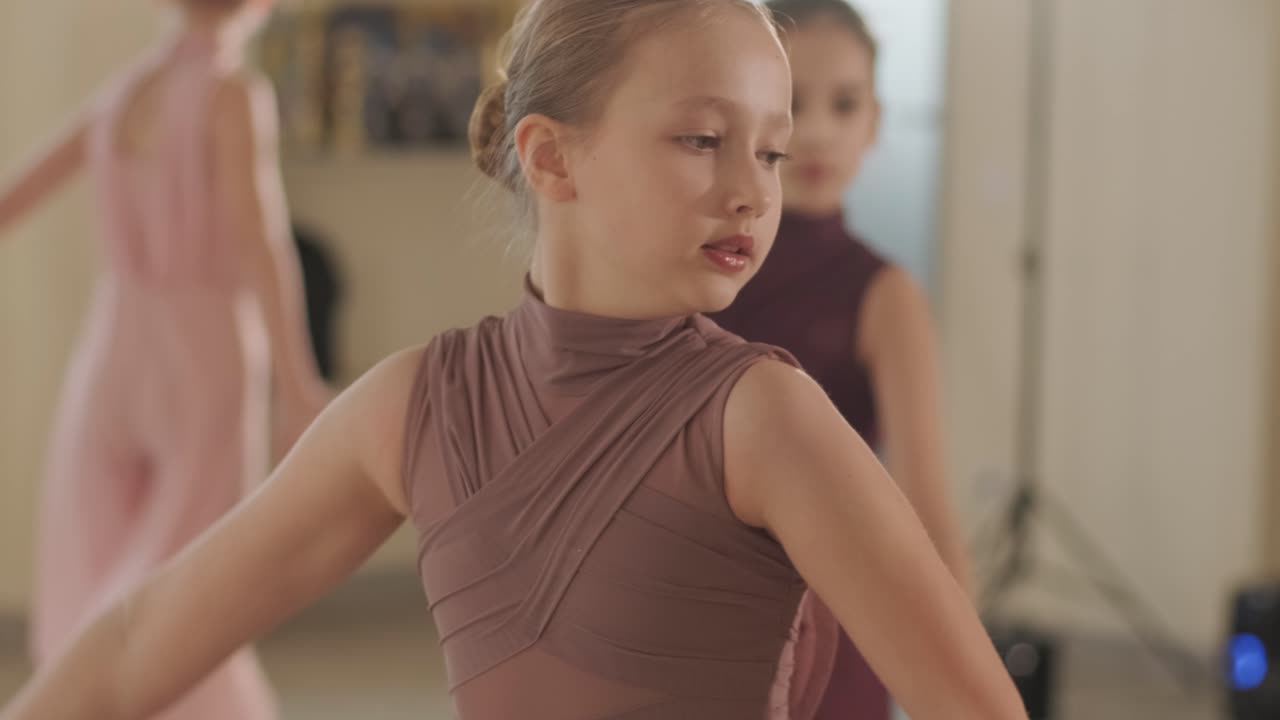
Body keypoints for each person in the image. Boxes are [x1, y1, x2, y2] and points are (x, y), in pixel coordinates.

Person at [1, 1, 1026, 718]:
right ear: (548, 156)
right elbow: (138, 644)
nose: (753, 190)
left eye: (768, 149)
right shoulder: (412, 404)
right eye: (701, 139)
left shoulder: (761, 416)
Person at [0, 1, 328, 717]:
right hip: (202, 355)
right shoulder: (233, 94)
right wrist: (299, 385)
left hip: (112, 350)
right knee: (186, 606)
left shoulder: (125, 93)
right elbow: (258, 240)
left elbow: (9, 198)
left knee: (91, 578)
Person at [707, 2, 971, 718]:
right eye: (792, 105)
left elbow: (929, 515)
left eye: (844, 104)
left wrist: (963, 686)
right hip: (692, 616)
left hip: (829, 634)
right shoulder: (696, 272)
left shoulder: (886, 296)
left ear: (875, 123)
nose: (817, 130)